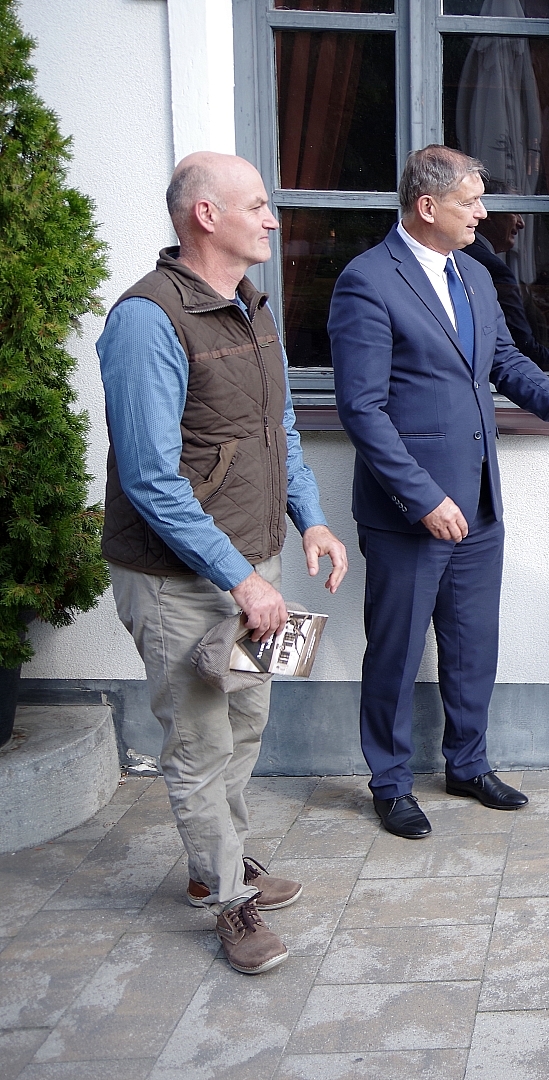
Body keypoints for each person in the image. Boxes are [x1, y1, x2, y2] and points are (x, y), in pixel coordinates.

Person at [99, 152, 349, 975]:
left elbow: (278, 433)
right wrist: (238, 578)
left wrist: (311, 520)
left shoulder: (251, 306)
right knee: (200, 742)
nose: (273, 218)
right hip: (180, 580)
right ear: (206, 215)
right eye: (258, 205)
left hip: (252, 565)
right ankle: (228, 902)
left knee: (243, 723)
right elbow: (150, 478)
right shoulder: (147, 320)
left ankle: (222, 863)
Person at [329, 146, 549, 840]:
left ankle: (468, 764)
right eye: (470, 201)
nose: (484, 213)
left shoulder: (475, 273)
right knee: (395, 651)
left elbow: (505, 360)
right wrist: (422, 499)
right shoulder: (367, 281)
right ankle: (391, 784)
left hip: (479, 501)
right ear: (428, 207)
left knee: (472, 644)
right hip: (409, 512)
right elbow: (362, 409)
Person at [463, 180, 549, 371]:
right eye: (514, 212)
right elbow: (521, 345)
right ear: (489, 214)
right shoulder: (491, 267)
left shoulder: (468, 254)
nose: (521, 223)